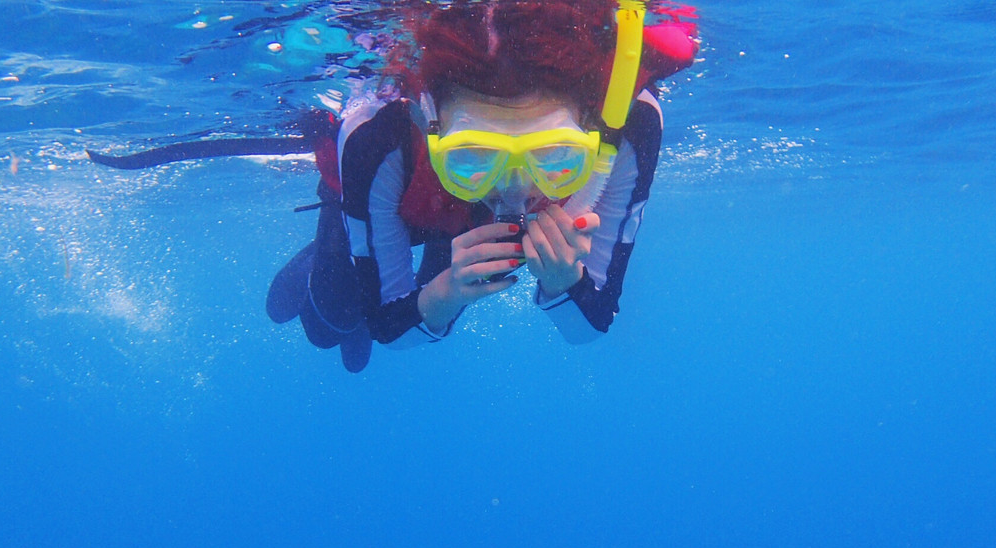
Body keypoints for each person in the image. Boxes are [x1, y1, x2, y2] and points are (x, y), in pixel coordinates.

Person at [266, 0, 698, 372]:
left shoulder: (627, 126)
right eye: (473, 156)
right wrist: (443, 294)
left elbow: (594, 321)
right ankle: (343, 235)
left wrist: (567, 281)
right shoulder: (379, 133)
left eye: (552, 157)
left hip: (451, 208)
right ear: (427, 121)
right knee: (332, 322)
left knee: (357, 338)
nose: (513, 192)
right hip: (411, 206)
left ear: (591, 126)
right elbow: (386, 326)